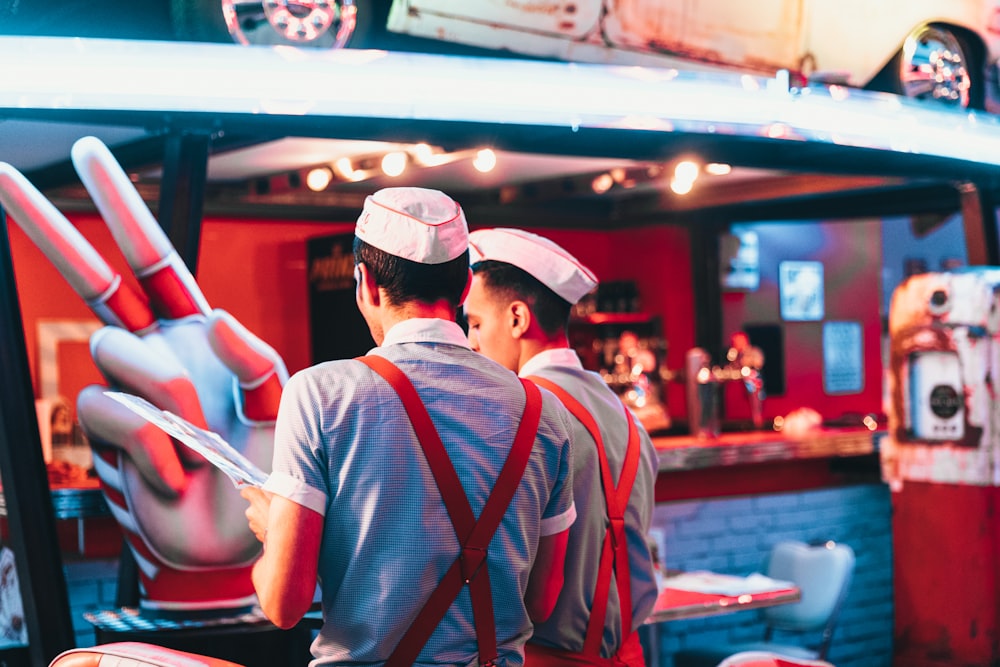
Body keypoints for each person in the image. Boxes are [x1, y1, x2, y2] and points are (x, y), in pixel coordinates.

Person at [241, 188, 577, 666]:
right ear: (464, 289)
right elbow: (542, 602)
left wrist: (276, 531)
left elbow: (283, 605)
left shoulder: (319, 393)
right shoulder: (543, 409)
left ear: (366, 282)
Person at [464, 228, 659, 667]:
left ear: (517, 318)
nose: (471, 342)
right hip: (624, 654)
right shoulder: (627, 417)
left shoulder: (517, 414)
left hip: (542, 657)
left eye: (476, 323)